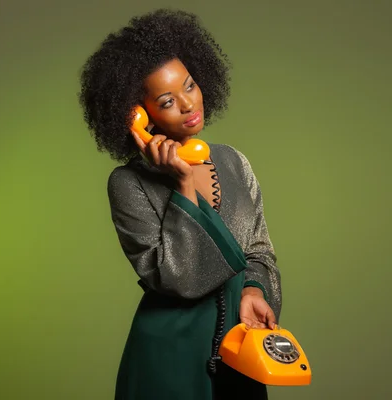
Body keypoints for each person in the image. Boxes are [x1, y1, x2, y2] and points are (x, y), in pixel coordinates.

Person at [78, 8, 282, 400]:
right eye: (168, 100)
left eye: (190, 86)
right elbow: (179, 279)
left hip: (240, 347)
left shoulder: (234, 163)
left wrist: (254, 292)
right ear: (140, 116)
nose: (189, 105)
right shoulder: (127, 183)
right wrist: (183, 184)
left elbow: (258, 250)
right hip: (168, 355)